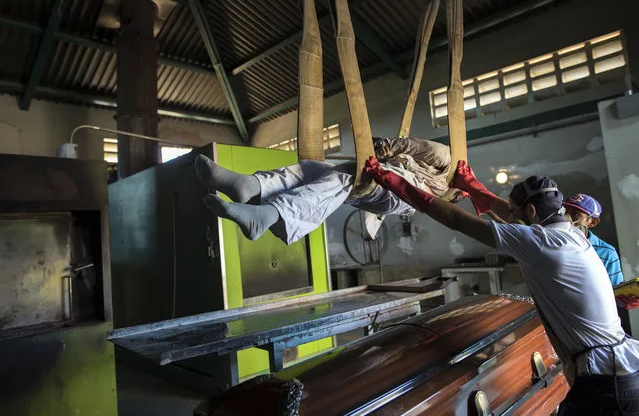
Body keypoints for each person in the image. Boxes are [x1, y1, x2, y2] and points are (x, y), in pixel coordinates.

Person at [364, 157, 639, 415]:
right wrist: (471, 187)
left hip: (605, 382)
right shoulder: (573, 236)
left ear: (530, 211)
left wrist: (393, 181)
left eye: (517, 211)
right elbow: (509, 216)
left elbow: (456, 219)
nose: (512, 216)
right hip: (622, 370)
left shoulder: (541, 243)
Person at [194, 137, 462, 245]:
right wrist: (383, 150)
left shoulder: (442, 173)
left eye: (461, 197)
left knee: (349, 180)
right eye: (461, 194)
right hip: (391, 178)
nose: (459, 197)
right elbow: (408, 147)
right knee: (313, 170)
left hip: (404, 191)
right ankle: (251, 186)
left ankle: (269, 215)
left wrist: (384, 150)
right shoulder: (445, 159)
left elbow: (403, 147)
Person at [563, 193, 624, 286]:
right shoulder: (552, 242)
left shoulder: (607, 253)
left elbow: (617, 293)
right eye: (564, 212)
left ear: (593, 222)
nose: (566, 218)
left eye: (575, 214)